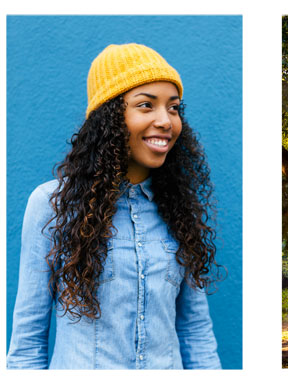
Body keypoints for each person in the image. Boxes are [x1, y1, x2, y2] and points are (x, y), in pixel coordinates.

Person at [7, 43, 223, 368]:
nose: (166, 120)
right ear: (109, 118)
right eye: (146, 105)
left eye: (174, 107)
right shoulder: (53, 205)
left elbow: (195, 332)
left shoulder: (179, 210)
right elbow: (27, 344)